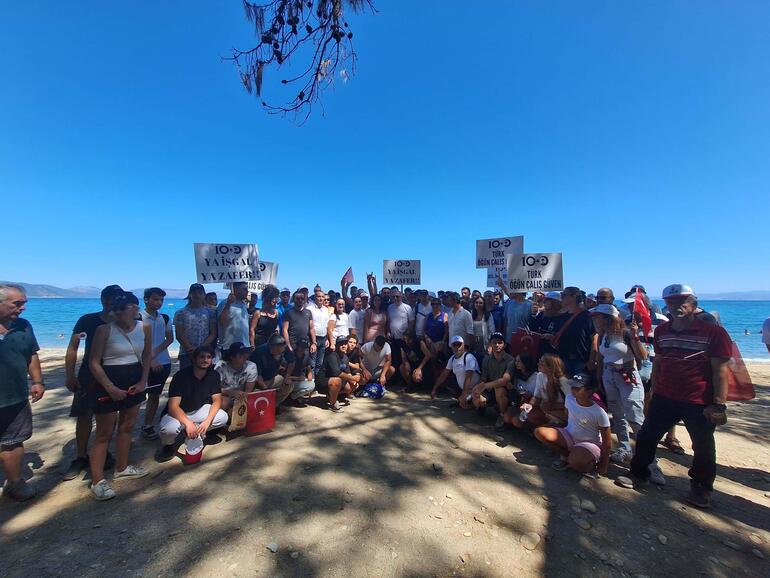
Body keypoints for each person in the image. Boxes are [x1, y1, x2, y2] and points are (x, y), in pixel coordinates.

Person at [623, 285, 732, 508]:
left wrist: (719, 404)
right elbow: (659, 363)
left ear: (693, 304)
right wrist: (653, 389)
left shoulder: (714, 333)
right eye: (671, 302)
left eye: (682, 302)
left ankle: (701, 488)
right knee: (646, 436)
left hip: (699, 400)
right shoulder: (662, 331)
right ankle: (638, 474)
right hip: (665, 396)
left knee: (702, 446)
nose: (675, 306)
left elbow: (720, 370)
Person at [88, 292, 152, 500]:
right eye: (129, 307)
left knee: (126, 426)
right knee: (104, 432)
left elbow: (146, 355)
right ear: (117, 311)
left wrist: (143, 381)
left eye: (136, 306)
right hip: (109, 381)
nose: (135, 310)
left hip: (134, 379)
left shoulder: (145, 327)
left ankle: (122, 467)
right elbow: (94, 363)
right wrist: (110, 387)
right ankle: (97, 481)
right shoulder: (104, 330)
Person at [62, 284, 123, 481]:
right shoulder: (88, 320)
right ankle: (80, 456)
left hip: (117, 374)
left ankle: (104, 452)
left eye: (116, 299)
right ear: (102, 300)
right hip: (89, 375)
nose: (112, 302)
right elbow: (73, 348)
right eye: (109, 298)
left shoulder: (126, 321)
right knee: (84, 415)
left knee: (109, 416)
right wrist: (70, 375)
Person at [0, 284, 44, 501]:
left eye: (24, 303)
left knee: (14, 440)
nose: (23, 308)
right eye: (17, 303)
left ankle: (14, 482)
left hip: (15, 396)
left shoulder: (23, 326)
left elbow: (32, 354)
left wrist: (37, 381)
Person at [590, 303, 647, 464]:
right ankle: (624, 447)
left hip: (627, 375)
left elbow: (642, 356)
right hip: (609, 375)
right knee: (618, 414)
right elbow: (601, 357)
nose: (595, 320)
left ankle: (647, 457)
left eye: (598, 317)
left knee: (634, 416)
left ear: (608, 318)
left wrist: (636, 336)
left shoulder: (626, 333)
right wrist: (600, 376)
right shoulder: (602, 335)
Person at [156, 346, 229, 463]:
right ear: (194, 359)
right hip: (180, 412)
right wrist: (188, 423)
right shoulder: (181, 376)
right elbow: (173, 407)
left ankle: (198, 431)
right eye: (202, 357)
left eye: (208, 357)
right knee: (168, 429)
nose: (205, 360)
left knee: (222, 417)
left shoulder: (213, 374)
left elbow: (217, 400)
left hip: (199, 410)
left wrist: (207, 421)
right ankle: (168, 445)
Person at [534, 373, 611, 477]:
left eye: (577, 388)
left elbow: (607, 442)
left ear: (589, 391)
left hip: (589, 443)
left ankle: (587, 463)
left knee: (576, 462)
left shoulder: (599, 412)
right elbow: (568, 415)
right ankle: (567, 455)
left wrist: (604, 464)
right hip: (569, 435)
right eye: (572, 386)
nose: (573, 389)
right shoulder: (569, 398)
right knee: (539, 432)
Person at [140, 287, 174, 441]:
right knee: (136, 397)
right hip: (140, 364)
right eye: (155, 299)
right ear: (146, 299)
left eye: (161, 300)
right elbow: (133, 341)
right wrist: (149, 359)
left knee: (154, 396)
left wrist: (155, 352)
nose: (158, 302)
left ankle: (147, 425)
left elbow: (169, 339)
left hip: (163, 362)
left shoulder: (165, 318)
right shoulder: (137, 317)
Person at [507, 354, 568, 430]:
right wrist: (529, 405)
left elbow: (572, 405)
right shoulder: (540, 376)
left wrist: (553, 406)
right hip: (545, 410)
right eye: (539, 361)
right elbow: (537, 397)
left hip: (560, 413)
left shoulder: (563, 382)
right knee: (519, 419)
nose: (538, 364)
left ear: (550, 367)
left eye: (542, 363)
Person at [471, 332, 514, 427]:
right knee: (477, 398)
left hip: (506, 390)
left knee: (499, 389)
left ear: (505, 345)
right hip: (490, 389)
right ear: (490, 344)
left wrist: (484, 385)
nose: (497, 345)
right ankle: (483, 407)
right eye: (494, 342)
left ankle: (502, 415)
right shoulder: (486, 359)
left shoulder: (510, 360)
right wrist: (478, 386)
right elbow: (484, 377)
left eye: (500, 342)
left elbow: (505, 380)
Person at [173, 283, 217, 370]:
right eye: (194, 293)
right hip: (186, 353)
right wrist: (190, 348)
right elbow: (179, 334)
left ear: (204, 295)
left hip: (205, 354)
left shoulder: (211, 313)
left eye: (200, 293)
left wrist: (201, 348)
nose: (197, 295)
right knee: (186, 380)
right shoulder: (180, 313)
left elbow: (213, 333)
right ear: (190, 295)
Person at [553, 286, 594, 377]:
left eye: (564, 295)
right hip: (563, 359)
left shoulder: (587, 316)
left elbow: (593, 340)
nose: (561, 297)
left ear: (574, 296)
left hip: (581, 360)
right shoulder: (562, 316)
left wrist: (591, 360)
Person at [430, 336, 481, 408]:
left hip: (475, 387)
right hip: (464, 388)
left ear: (463, 345)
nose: (457, 347)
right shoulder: (452, 359)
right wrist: (434, 389)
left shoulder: (469, 357)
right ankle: (463, 399)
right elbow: (444, 374)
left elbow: (468, 377)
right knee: (449, 382)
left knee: (475, 404)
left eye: (459, 344)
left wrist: (464, 394)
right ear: (451, 347)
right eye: (454, 345)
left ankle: (471, 402)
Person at [316, 336, 360, 412]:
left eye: (345, 344)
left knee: (351, 385)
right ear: (336, 345)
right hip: (322, 382)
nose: (343, 346)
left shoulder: (345, 358)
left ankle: (332, 396)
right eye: (341, 344)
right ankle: (333, 404)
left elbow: (348, 372)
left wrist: (354, 381)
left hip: (335, 381)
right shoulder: (332, 355)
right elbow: (337, 373)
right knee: (337, 380)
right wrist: (353, 378)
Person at [250, 334, 296, 406]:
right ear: (271, 346)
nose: (279, 353)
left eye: (281, 351)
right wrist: (265, 389)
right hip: (258, 384)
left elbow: (292, 362)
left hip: (272, 378)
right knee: (259, 393)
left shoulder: (284, 348)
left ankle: (273, 406)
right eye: (277, 351)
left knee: (289, 385)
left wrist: (287, 376)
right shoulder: (259, 353)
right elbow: (257, 376)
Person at [215, 342, 258, 411]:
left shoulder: (251, 366)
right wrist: (230, 392)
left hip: (241, 396)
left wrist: (242, 397)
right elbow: (214, 389)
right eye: (240, 354)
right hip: (224, 394)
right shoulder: (221, 366)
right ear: (232, 357)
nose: (245, 356)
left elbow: (248, 391)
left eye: (245, 353)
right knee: (224, 403)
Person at [529, 291, 569, 357]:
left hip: (556, 354)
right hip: (541, 351)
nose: (544, 302)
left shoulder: (564, 317)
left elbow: (566, 338)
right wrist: (533, 315)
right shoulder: (542, 315)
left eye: (547, 300)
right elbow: (533, 330)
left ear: (555, 303)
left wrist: (552, 336)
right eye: (544, 300)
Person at [386, 290, 415, 373]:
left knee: (407, 359)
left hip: (404, 338)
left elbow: (412, 322)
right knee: (396, 359)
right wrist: (388, 331)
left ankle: (409, 379)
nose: (395, 298)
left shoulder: (407, 307)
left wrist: (407, 334)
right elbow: (388, 321)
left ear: (401, 296)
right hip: (393, 338)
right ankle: (398, 379)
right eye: (393, 296)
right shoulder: (390, 307)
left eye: (397, 296)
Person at [497, 276, 533, 342]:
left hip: (524, 342)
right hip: (508, 341)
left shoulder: (531, 305)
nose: (510, 290)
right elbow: (505, 322)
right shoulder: (509, 303)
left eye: (512, 288)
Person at [217, 282, 250, 352]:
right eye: (244, 289)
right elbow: (222, 322)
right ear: (235, 289)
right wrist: (228, 304)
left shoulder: (244, 304)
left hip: (244, 346)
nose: (247, 291)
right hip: (229, 347)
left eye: (247, 289)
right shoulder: (224, 303)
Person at [308, 287, 332, 379]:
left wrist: (326, 339)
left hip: (323, 338)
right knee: (312, 363)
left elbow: (326, 325)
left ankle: (317, 383)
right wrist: (313, 342)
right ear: (315, 297)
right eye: (319, 296)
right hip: (313, 338)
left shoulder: (325, 310)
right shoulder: (310, 309)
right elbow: (310, 327)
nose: (321, 298)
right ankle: (311, 383)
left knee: (320, 363)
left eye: (323, 297)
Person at [284, 338, 316, 407]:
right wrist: (296, 378)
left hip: (300, 380)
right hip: (290, 381)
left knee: (312, 384)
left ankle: (293, 398)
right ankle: (288, 398)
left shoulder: (306, 355)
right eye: (301, 346)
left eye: (304, 347)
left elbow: (309, 369)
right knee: (287, 383)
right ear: (297, 346)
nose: (302, 349)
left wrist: (310, 377)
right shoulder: (291, 355)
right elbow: (286, 375)